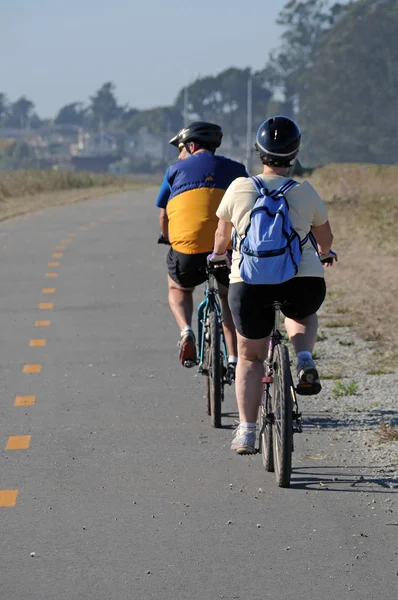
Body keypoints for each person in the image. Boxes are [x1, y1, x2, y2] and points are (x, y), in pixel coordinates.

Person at [209, 116, 337, 454]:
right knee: (303, 312)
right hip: (302, 281)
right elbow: (324, 238)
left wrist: (218, 256)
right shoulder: (305, 191)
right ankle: (304, 356)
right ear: (294, 154)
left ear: (259, 152)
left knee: (251, 357)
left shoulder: (238, 188)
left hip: (250, 283)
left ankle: (247, 431)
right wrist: (325, 254)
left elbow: (221, 237)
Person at [156, 121, 248, 370]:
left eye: (181, 148)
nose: (179, 154)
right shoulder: (238, 169)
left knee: (178, 288)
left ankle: (186, 331)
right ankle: (233, 360)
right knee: (228, 299)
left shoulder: (174, 170)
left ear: (192, 145)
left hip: (188, 252)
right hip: (225, 251)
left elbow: (164, 216)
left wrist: (167, 237)